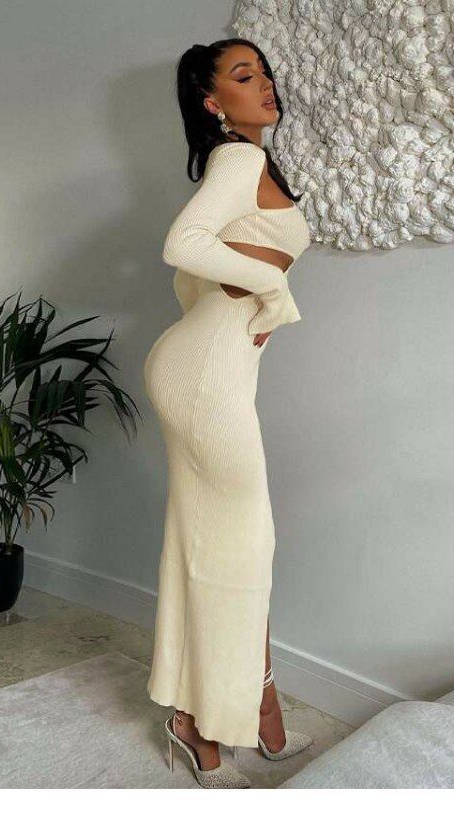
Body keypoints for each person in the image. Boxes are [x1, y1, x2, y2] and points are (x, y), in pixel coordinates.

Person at [144, 38, 314, 788]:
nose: (265, 84)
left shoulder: (254, 162)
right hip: (204, 373)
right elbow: (182, 244)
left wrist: (244, 301)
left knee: (215, 543)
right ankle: (230, 713)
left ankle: (221, 711)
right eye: (245, 76)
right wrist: (270, 290)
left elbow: (199, 276)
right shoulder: (237, 159)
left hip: (208, 366)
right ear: (214, 103)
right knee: (242, 547)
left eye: (265, 72)